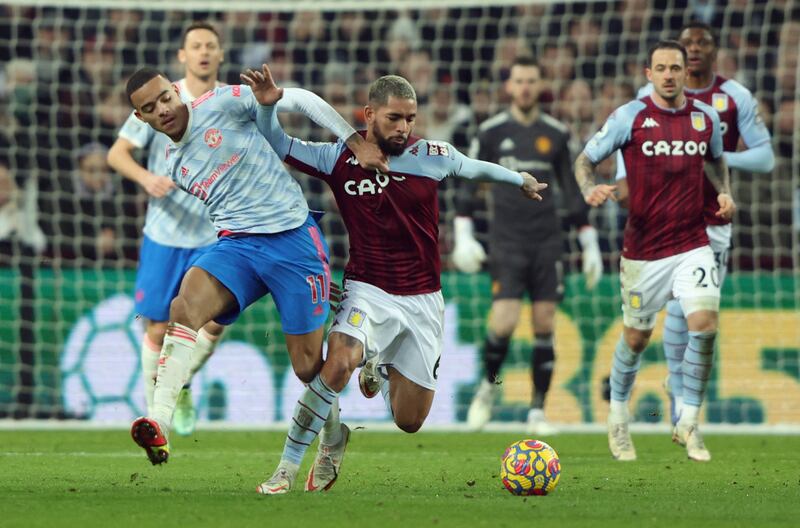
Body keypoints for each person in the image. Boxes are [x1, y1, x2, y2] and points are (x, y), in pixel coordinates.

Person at [247, 68, 547, 493]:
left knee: (409, 421)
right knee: (337, 365)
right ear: (368, 114)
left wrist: (520, 180)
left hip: (423, 300)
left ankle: (381, 367)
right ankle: (287, 469)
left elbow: (472, 167)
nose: (404, 127)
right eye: (394, 118)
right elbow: (277, 142)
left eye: (410, 118)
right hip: (366, 291)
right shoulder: (338, 158)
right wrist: (265, 105)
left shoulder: (433, 155)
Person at [124, 65, 388, 467]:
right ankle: (159, 418)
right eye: (150, 108)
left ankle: (334, 433)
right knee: (183, 308)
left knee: (306, 368)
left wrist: (355, 142)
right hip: (239, 245)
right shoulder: (175, 167)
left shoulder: (223, 102)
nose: (162, 109)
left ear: (175, 91)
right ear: (141, 118)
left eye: (165, 98)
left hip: (292, 240)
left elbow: (298, 98)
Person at [575, 40, 735, 462]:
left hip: (691, 243)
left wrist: (725, 194)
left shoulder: (705, 119)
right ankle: (618, 421)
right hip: (643, 251)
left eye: (675, 68)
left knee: (705, 324)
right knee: (637, 336)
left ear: (686, 73)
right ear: (649, 74)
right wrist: (590, 189)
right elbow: (584, 161)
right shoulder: (630, 117)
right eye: (660, 68)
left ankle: (690, 422)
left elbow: (718, 162)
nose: (668, 75)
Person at [614, 21, 774, 427]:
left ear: (713, 52)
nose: (696, 49)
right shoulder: (644, 100)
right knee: (676, 311)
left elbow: (766, 158)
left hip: (713, 220)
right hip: (664, 219)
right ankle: (678, 408)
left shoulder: (733, 96)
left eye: (703, 43)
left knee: (690, 314)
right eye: (688, 44)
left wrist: (706, 156)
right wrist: (622, 182)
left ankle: (681, 399)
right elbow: (623, 143)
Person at [453, 56, 602, 435]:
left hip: (547, 241)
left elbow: (570, 189)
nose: (524, 87)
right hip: (507, 241)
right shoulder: (490, 132)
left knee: (544, 323)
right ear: (509, 86)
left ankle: (537, 411)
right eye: (518, 80)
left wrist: (589, 242)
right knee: (502, 323)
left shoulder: (555, 133)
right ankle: (488, 388)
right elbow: (469, 184)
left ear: (539, 86)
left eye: (530, 81)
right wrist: (464, 234)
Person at [108, 22, 227, 436]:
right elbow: (117, 154)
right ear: (183, 55)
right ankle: (155, 416)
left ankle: (183, 380)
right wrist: (145, 178)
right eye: (196, 46)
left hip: (215, 233)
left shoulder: (227, 101)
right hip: (164, 233)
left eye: (211, 46)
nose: (204, 52)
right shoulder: (158, 99)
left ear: (220, 54)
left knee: (214, 324)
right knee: (158, 328)